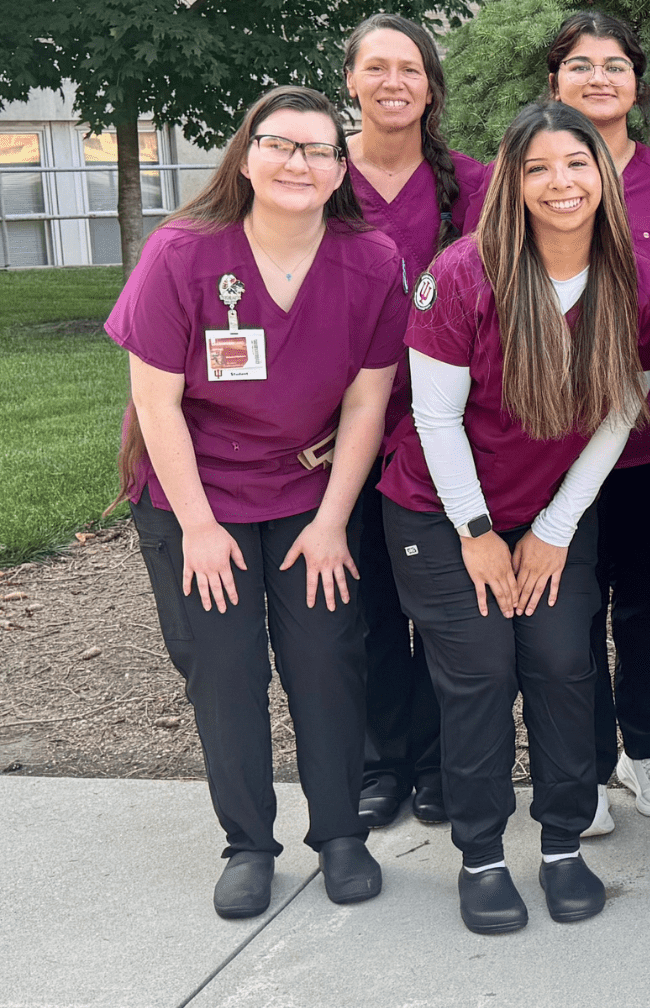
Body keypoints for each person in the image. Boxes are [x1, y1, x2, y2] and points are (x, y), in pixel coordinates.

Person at [107, 85, 404, 919]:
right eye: (280, 144)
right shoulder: (182, 253)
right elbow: (156, 404)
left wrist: (335, 520)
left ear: (341, 169)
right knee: (226, 671)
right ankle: (248, 844)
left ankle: (341, 834)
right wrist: (198, 527)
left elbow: (366, 404)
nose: (297, 163)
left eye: (317, 150)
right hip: (194, 494)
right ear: (246, 154)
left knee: (328, 662)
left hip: (312, 492)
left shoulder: (373, 261)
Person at [380, 101, 650, 935]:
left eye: (575, 164)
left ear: (601, 175)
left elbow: (620, 412)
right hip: (441, 511)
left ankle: (564, 845)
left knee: (565, 666)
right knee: (482, 674)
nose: (559, 183)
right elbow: (434, 421)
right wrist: (477, 535)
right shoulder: (465, 273)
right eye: (537, 168)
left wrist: (555, 528)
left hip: (550, 515)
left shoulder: (628, 273)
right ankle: (482, 854)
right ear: (513, 181)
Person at [531, 10, 650, 834]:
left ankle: (647, 749)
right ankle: (584, 766)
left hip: (646, 439)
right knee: (571, 605)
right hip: (546, 443)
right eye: (580, 66)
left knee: (644, 600)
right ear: (554, 81)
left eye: (615, 65)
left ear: (637, 80)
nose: (599, 79)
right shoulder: (531, 173)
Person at [340, 12, 489, 830]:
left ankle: (436, 763)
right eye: (378, 68)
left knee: (439, 611)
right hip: (341, 436)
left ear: (432, 87)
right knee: (363, 613)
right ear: (352, 81)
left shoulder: (472, 184)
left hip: (444, 433)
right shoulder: (322, 178)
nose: (394, 82)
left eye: (411, 69)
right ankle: (381, 764)